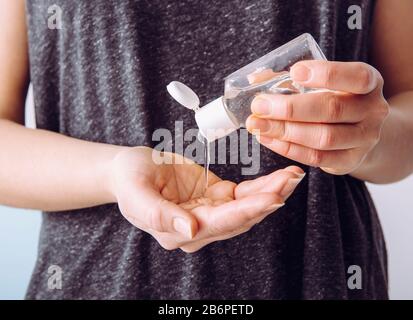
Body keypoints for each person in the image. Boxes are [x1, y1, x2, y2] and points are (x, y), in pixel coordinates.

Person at [0, 0, 412, 299]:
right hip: (94, 283)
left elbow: (405, 118)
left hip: (318, 276)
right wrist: (110, 172)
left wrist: (364, 142)